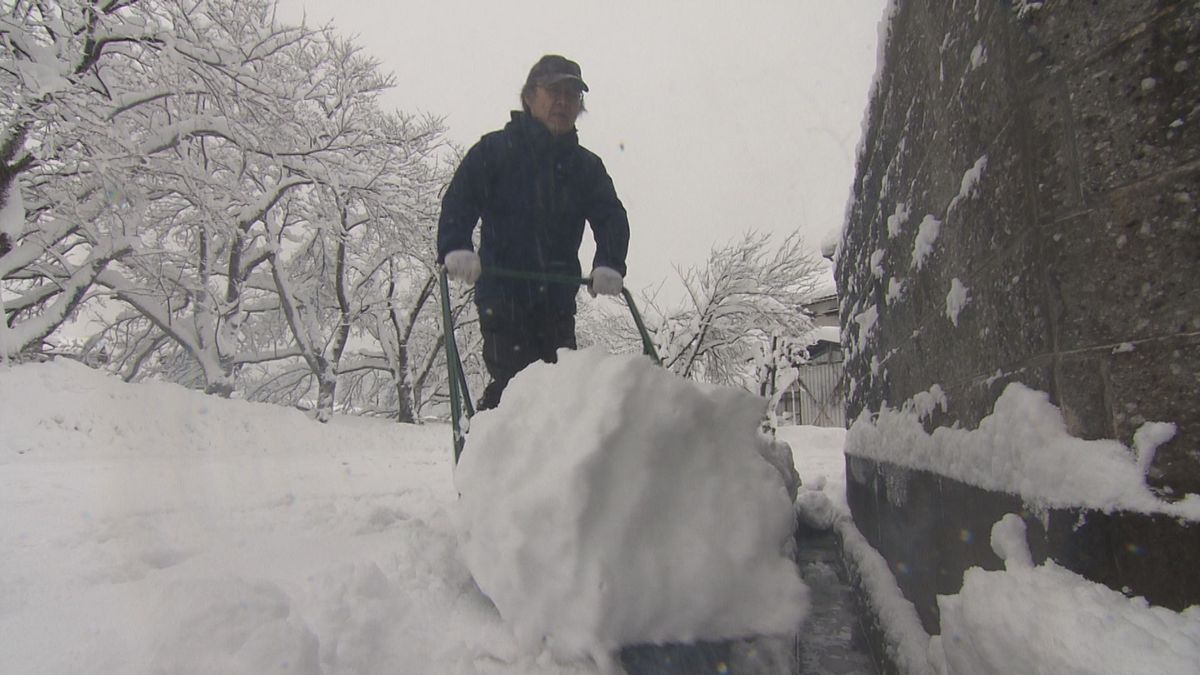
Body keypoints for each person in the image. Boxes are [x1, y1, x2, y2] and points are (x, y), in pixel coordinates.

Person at [437, 55, 631, 411]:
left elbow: (610, 216)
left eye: (571, 95)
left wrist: (609, 262)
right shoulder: (495, 151)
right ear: (529, 97)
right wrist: (455, 247)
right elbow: (460, 200)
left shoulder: (585, 168)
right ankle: (492, 450)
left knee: (561, 387)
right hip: (503, 290)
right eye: (553, 92)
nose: (562, 102)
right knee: (518, 385)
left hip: (557, 297)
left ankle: (558, 463)